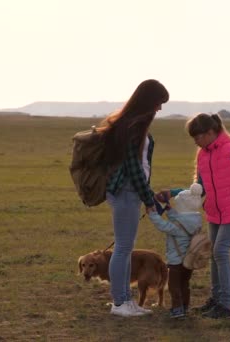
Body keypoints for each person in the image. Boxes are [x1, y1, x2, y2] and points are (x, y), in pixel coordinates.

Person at [156, 113, 230, 319]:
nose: (196, 141)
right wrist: (173, 193)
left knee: (221, 251)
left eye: (198, 137)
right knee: (214, 253)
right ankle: (216, 300)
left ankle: (227, 305)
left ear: (211, 132)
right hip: (214, 212)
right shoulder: (203, 154)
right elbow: (198, 189)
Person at [97, 79, 169, 317]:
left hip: (130, 192)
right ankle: (120, 303)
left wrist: (148, 193)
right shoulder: (133, 126)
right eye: (158, 103)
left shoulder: (131, 124)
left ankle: (126, 301)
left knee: (124, 249)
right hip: (126, 192)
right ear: (148, 100)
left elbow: (139, 167)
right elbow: (134, 168)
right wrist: (149, 198)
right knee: (123, 248)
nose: (159, 108)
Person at [147, 183, 204, 319]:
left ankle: (177, 310)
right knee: (185, 284)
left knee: (174, 286)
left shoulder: (177, 226)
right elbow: (180, 219)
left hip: (176, 262)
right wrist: (169, 210)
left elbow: (163, 225)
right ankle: (185, 306)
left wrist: (153, 214)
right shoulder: (196, 220)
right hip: (189, 260)